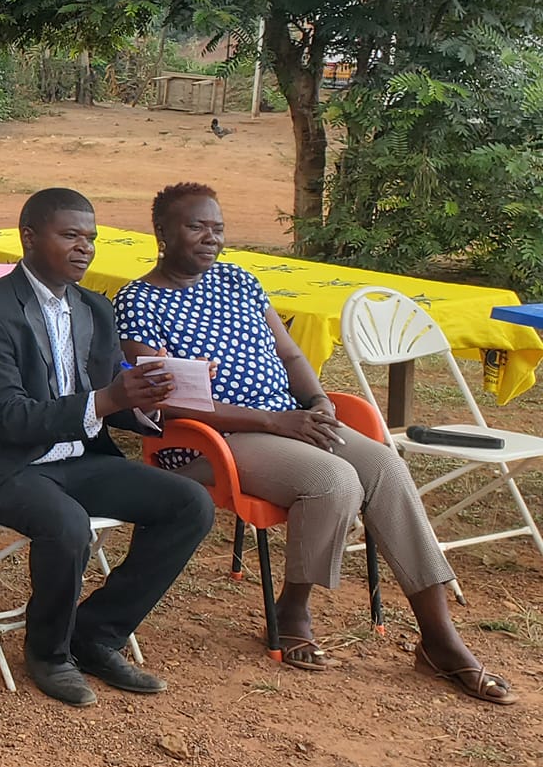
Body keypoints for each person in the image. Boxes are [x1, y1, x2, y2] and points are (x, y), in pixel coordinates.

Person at [115, 182, 513, 704]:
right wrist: (275, 421)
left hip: (288, 423)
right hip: (209, 439)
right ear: (162, 232)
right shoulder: (138, 300)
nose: (210, 238)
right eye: (196, 227)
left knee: (385, 468)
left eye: (217, 228)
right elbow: (166, 403)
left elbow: (291, 357)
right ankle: (293, 608)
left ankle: (440, 638)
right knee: (332, 478)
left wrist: (317, 400)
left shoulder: (240, 281)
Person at [0, 189, 215, 705]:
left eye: (90, 239)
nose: (84, 248)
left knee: (188, 504)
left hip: (77, 457)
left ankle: (96, 633)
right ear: (29, 238)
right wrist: (109, 397)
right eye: (70, 236)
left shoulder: (94, 309)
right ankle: (48, 652)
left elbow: (109, 394)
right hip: (4, 466)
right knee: (66, 524)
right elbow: (5, 417)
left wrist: (152, 398)